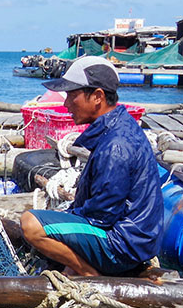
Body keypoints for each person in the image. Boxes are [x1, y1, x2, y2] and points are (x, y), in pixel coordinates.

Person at [20, 56, 162, 276]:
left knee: (31, 223)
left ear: (97, 97)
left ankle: (87, 273)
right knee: (51, 219)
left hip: (122, 245)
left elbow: (101, 216)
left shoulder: (117, 146)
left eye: (72, 96)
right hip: (133, 240)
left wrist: (69, 224)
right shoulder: (117, 129)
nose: (66, 104)